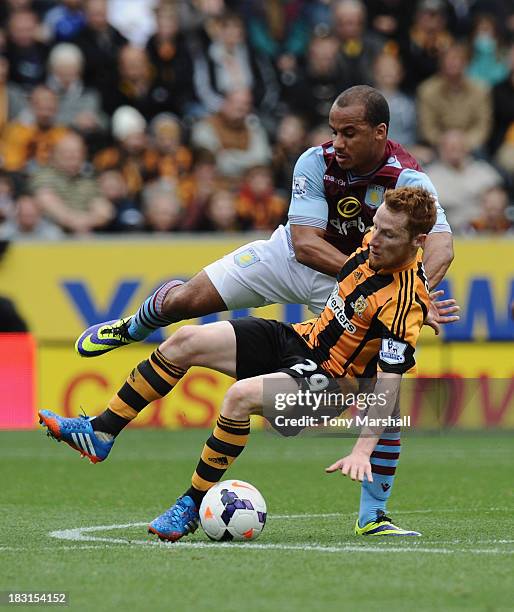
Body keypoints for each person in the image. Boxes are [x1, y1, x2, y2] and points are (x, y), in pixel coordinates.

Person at [39, 186, 457, 541]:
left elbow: (386, 388)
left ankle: (191, 503)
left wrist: (363, 448)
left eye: (388, 234)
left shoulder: (404, 303)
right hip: (300, 341)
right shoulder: (376, 245)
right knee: (184, 339)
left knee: (238, 398)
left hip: (331, 386)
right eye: (375, 226)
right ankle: (101, 432)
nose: (373, 238)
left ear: (418, 241)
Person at [75, 85, 454, 361]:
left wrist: (414, 295)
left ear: (380, 133)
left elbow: (442, 246)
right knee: (186, 300)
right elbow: (306, 244)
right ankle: (131, 328)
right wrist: (367, 280)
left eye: (349, 133)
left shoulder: (407, 176)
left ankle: (376, 470)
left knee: (371, 385)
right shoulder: (314, 162)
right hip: (290, 258)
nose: (337, 142)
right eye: (334, 131)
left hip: (348, 287)